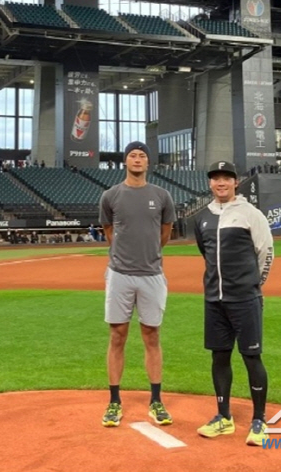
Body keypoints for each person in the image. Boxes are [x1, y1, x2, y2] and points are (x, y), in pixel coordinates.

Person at [194, 161, 274, 445]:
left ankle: (259, 420)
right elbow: (206, 253)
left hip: (245, 299)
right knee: (219, 356)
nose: (221, 183)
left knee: (252, 357)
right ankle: (223, 417)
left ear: (236, 182)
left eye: (226, 178)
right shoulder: (203, 218)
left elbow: (265, 252)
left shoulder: (250, 214)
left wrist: (252, 286)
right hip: (214, 300)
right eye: (215, 179)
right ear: (210, 184)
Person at [99, 141, 176, 428]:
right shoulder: (111, 195)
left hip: (152, 274)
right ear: (125, 161)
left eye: (142, 155)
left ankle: (156, 400)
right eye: (133, 155)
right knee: (117, 335)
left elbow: (165, 231)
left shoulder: (162, 195)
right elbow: (108, 230)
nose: (137, 159)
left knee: (151, 336)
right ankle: (114, 402)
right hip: (119, 273)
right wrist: (124, 253)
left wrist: (149, 254)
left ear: (148, 163)